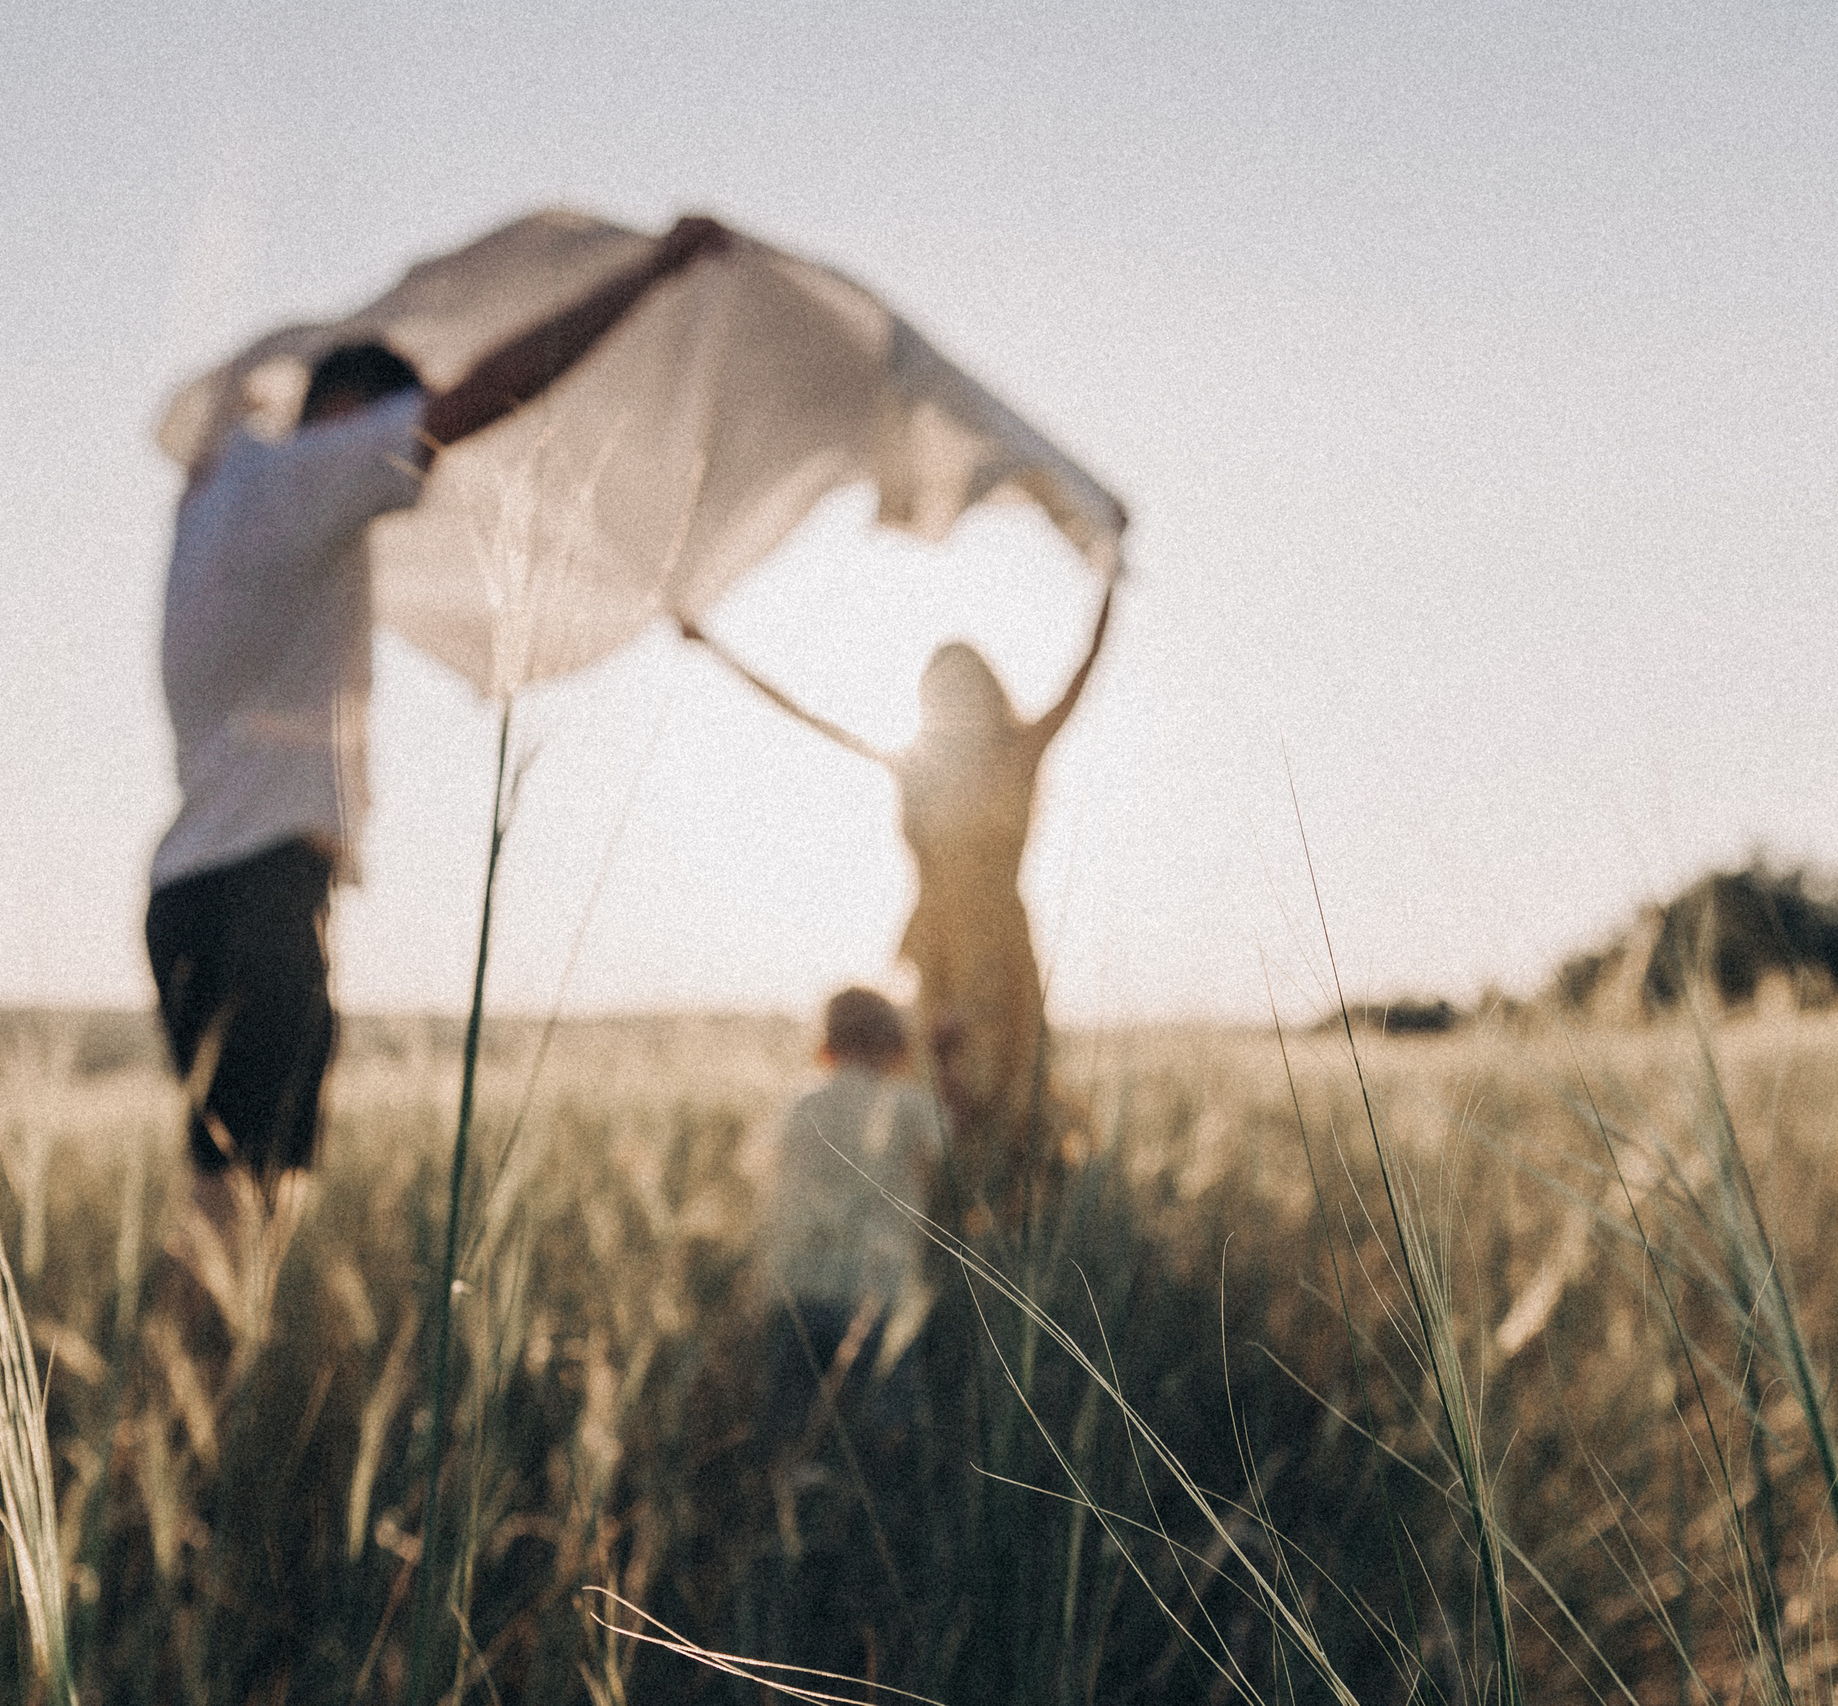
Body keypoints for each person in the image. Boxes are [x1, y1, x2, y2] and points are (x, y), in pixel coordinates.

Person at [147, 215, 731, 1230]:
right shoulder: (311, 470)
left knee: (218, 1180)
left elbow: (226, 400)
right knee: (255, 1201)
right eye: (388, 414)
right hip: (265, 882)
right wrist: (651, 272)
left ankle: (193, 1381)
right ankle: (217, 1382)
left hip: (185, 887)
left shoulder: (214, 486)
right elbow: (484, 395)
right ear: (348, 410)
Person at [681, 581, 1114, 1213]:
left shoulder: (1018, 752)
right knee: (934, 1092)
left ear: (988, 691)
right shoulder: (918, 766)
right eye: (939, 692)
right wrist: (718, 649)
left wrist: (1109, 582)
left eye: (962, 687)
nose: (951, 701)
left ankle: (1011, 1245)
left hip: (996, 953)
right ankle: (938, 1241)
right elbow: (809, 713)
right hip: (933, 953)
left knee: (1003, 1091)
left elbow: (1082, 674)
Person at [758, 987, 945, 1461]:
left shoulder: (802, 1104)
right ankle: (863, 1513)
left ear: (826, 1045)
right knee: (879, 1434)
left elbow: (766, 1171)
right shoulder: (910, 1106)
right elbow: (947, 1151)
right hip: (875, 1293)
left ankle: (792, 1501)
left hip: (796, 1291)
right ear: (896, 1045)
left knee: (792, 1426)